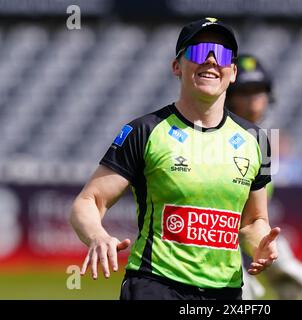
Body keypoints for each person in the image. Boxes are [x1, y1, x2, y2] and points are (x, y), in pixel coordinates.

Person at [70, 18, 280, 300]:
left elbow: (254, 221)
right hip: (155, 285)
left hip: (226, 292)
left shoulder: (259, 140)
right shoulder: (144, 130)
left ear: (231, 72)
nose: (210, 61)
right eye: (198, 51)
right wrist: (97, 236)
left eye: (220, 55)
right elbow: (88, 201)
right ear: (176, 67)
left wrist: (260, 246)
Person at [226, 54, 302, 299]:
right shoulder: (216, 138)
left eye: (259, 91)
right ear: (228, 97)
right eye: (245, 92)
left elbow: (254, 219)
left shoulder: (260, 141)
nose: (254, 101)